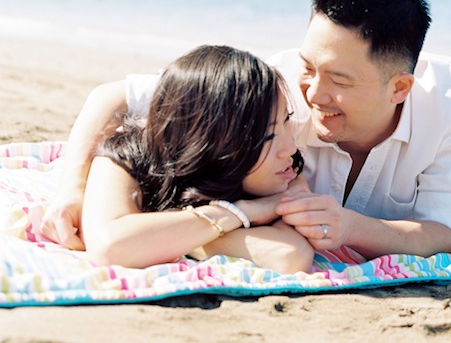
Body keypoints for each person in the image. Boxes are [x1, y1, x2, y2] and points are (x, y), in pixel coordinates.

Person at [43, 0, 451, 261]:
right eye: (310, 66)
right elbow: (113, 96)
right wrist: (73, 188)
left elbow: (448, 233)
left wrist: (350, 227)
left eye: (340, 81)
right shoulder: (277, 89)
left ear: (399, 87)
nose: (314, 93)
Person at [77, 44, 314, 274]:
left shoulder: (284, 172)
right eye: (268, 136)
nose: (291, 148)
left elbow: (288, 256)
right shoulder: (129, 156)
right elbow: (109, 247)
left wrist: (164, 240)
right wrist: (242, 212)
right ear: (214, 143)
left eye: (287, 120)